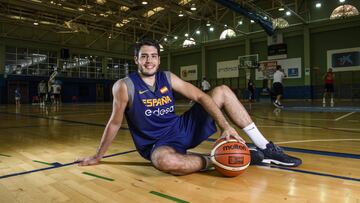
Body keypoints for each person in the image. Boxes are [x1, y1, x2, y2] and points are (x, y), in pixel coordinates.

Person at [77, 38, 301, 175]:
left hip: (183, 128)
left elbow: (203, 97)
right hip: (157, 144)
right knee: (165, 162)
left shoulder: (167, 77)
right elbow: (114, 123)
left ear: (158, 59)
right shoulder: (124, 87)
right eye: (144, 56)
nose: (149, 61)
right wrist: (98, 155)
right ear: (136, 59)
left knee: (221, 90)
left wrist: (224, 126)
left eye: (153, 56)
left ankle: (266, 148)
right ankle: (220, 160)